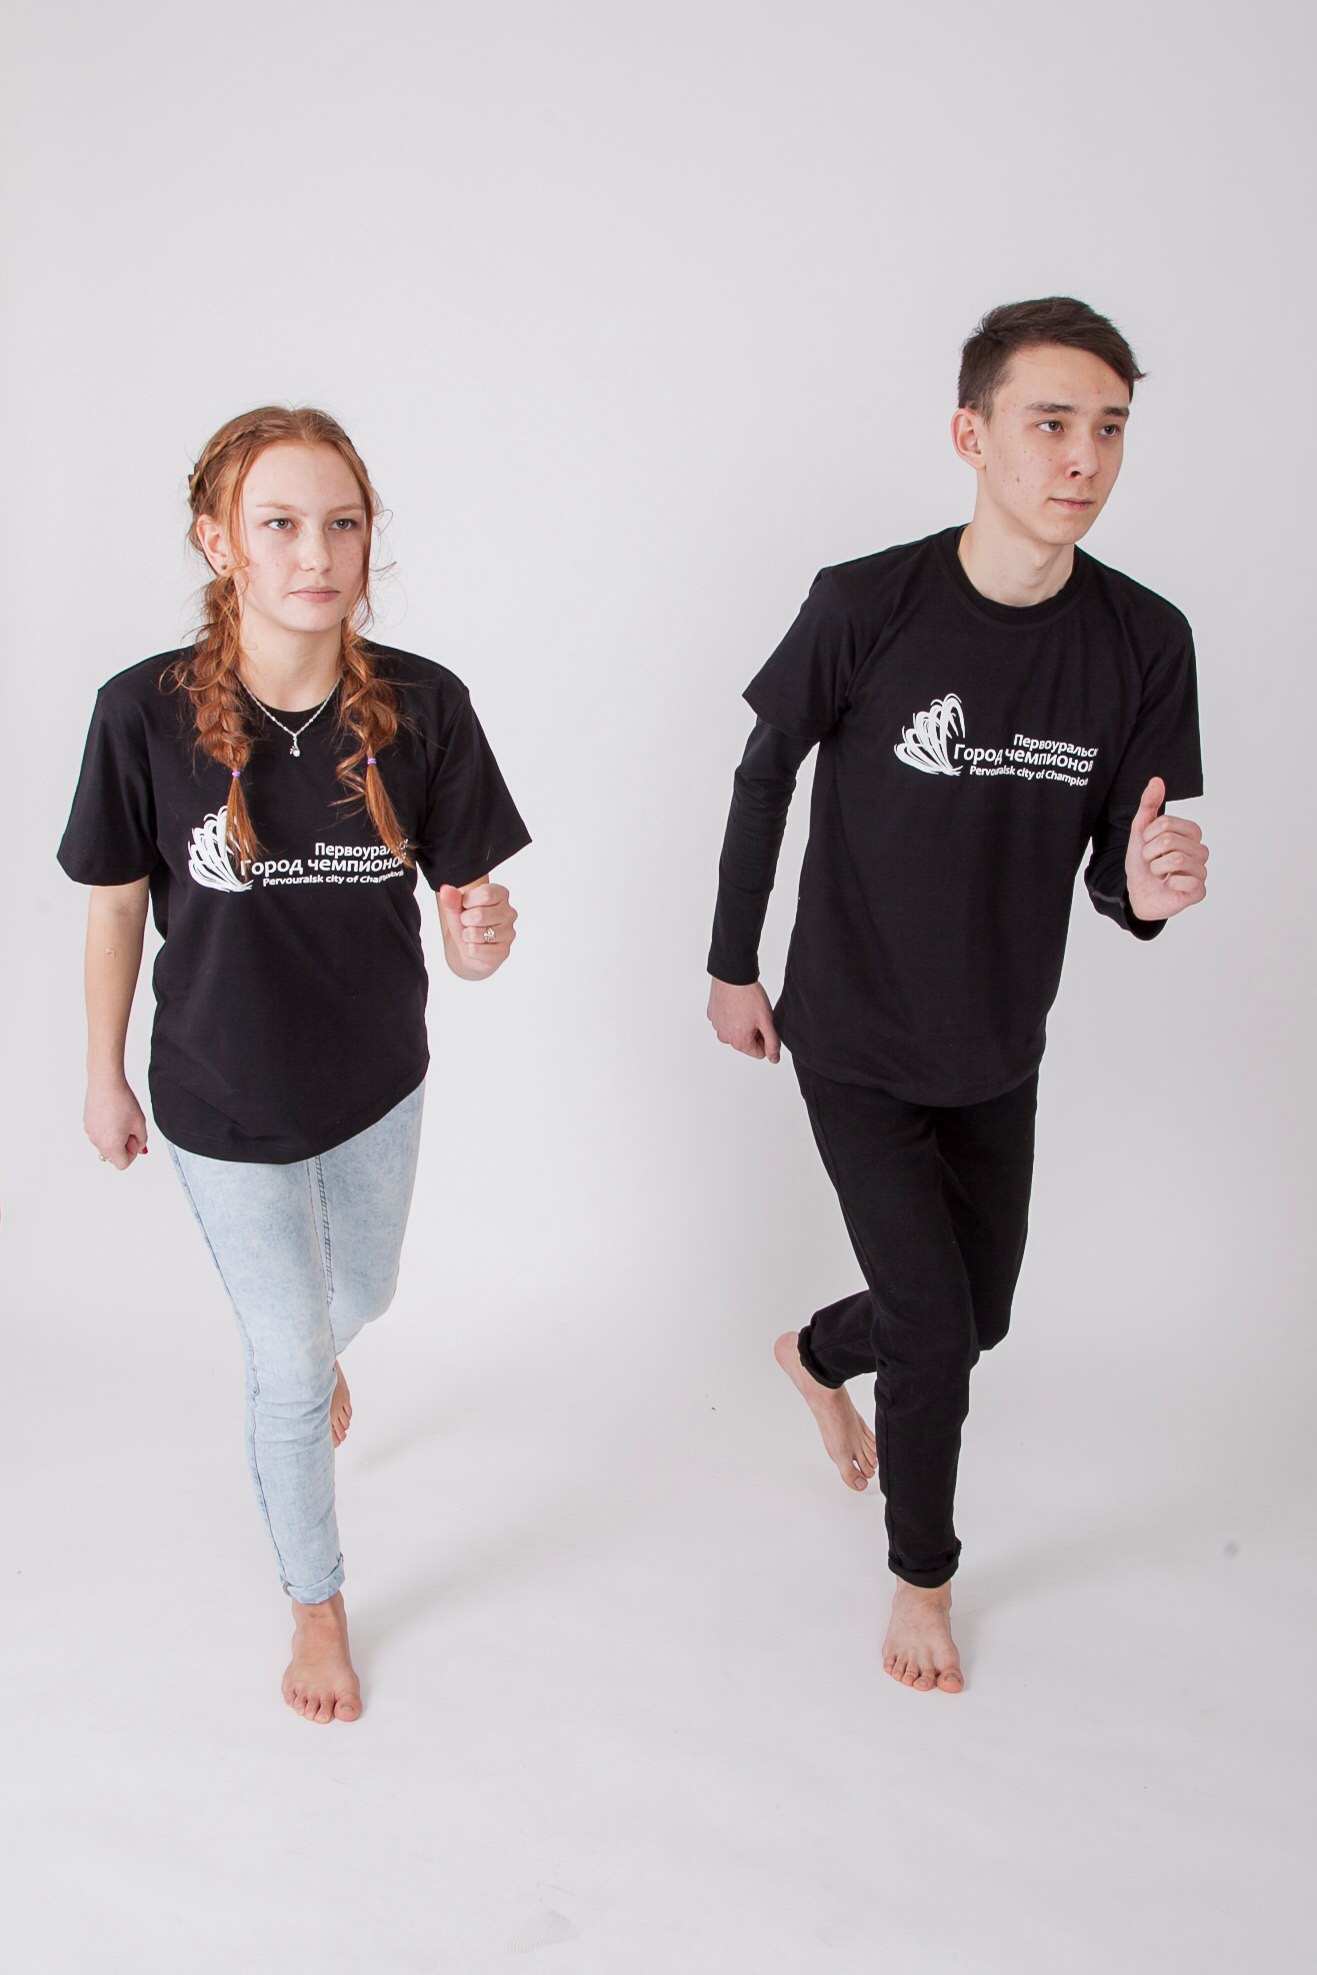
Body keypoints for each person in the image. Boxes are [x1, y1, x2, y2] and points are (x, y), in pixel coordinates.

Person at [706, 298, 1209, 1695]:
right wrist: (732, 963)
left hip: (999, 1042)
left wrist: (1145, 893)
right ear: (970, 437)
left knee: (974, 1318)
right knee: (937, 1334)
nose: (1083, 458)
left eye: (1108, 428)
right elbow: (765, 775)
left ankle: (815, 1352)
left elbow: (1120, 866)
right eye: (1049, 423)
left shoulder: (1143, 639)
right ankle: (921, 1578)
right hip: (853, 1030)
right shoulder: (865, 602)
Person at [59, 406, 530, 1724]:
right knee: (283, 1364)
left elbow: (470, 926)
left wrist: (481, 941)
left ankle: (320, 1358)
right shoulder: (140, 713)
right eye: (279, 524)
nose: (315, 553)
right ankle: (315, 1603)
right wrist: (103, 1075)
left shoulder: (424, 706)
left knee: (357, 1296)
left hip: (376, 1078)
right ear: (219, 542)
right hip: (218, 1092)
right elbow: (113, 905)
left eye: (341, 523)